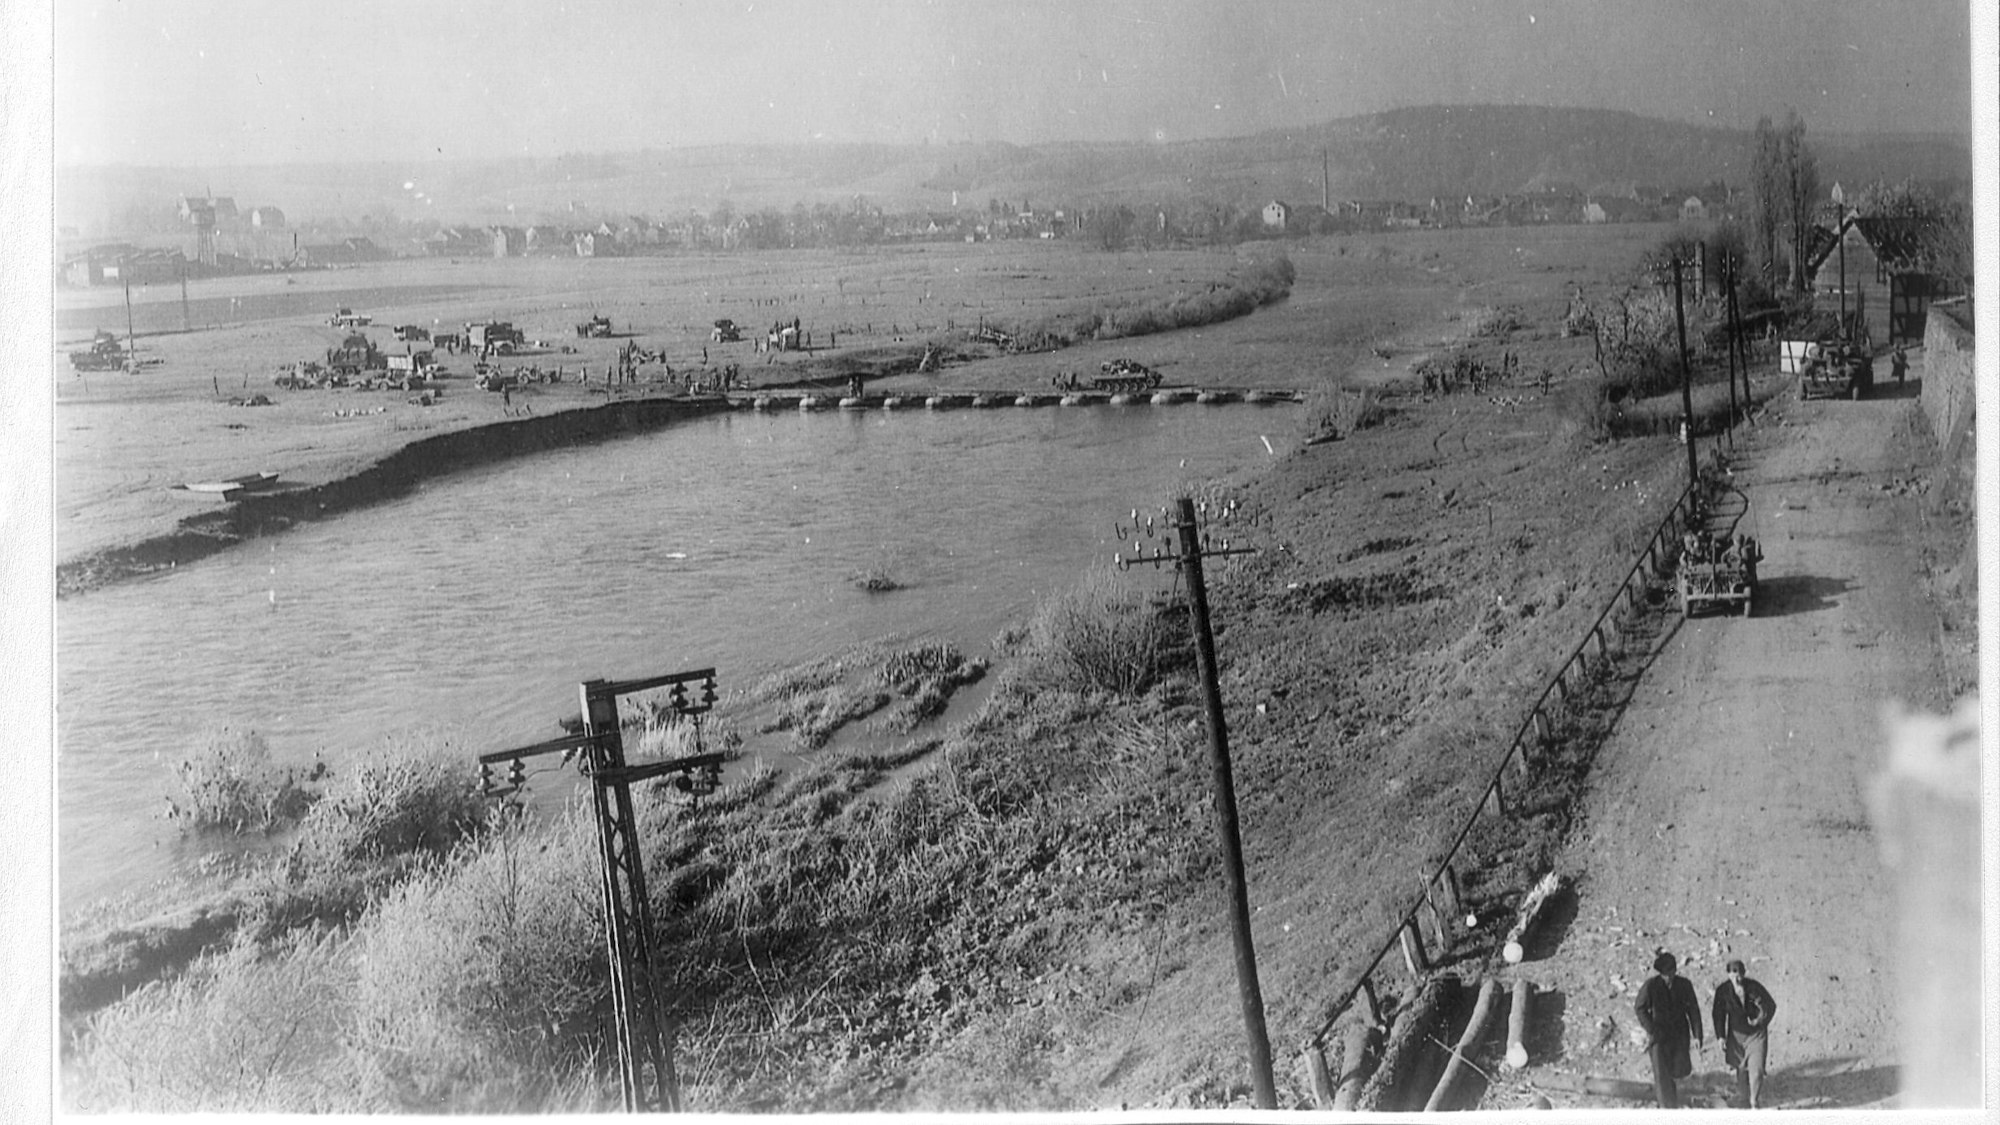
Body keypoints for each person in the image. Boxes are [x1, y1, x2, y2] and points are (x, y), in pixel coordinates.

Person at [1634, 951, 1705, 1108]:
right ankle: (1667, 1108)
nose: (1669, 977)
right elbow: (1640, 1008)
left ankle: (1672, 1101)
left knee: (1679, 1071)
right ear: (1661, 973)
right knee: (1661, 1075)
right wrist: (1651, 1029)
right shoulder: (1651, 986)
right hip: (1659, 1037)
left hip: (1679, 1036)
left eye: (1672, 972)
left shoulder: (1684, 985)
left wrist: (1697, 1035)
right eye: (1666, 974)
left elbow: (1693, 1010)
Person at [1711, 959, 1778, 1109]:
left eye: (1740, 975)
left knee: (1757, 1070)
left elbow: (1771, 1006)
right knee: (1740, 1069)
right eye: (1733, 975)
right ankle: (1744, 1098)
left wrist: (1761, 1021)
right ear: (1728, 975)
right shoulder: (1722, 991)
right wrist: (1720, 1036)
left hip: (1756, 1035)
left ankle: (1754, 1100)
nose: (1737, 979)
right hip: (1736, 1036)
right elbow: (1718, 1014)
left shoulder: (1754, 987)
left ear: (1744, 974)